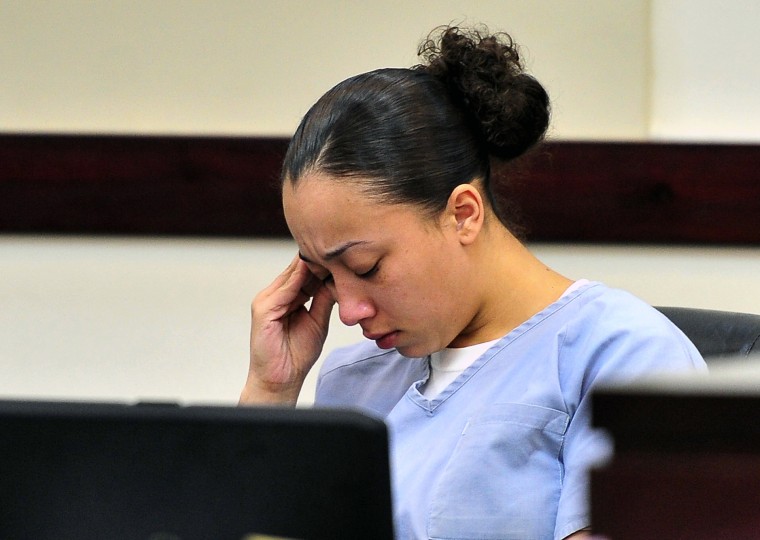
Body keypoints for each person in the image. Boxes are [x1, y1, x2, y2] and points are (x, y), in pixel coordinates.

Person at [239, 25, 706, 540]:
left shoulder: (625, 357)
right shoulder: (356, 381)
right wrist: (271, 388)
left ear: (463, 213)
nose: (348, 310)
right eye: (325, 276)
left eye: (368, 267)